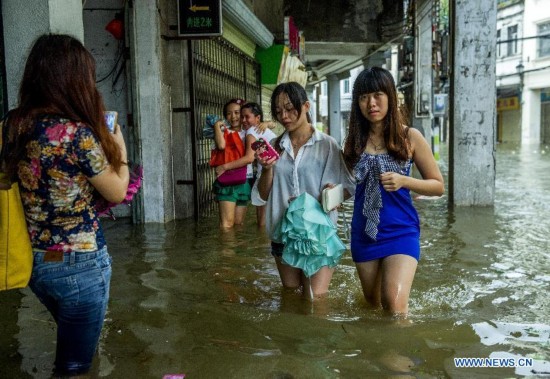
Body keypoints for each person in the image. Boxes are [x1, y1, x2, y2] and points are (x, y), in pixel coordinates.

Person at [0, 34, 129, 376]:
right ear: (74, 79)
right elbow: (117, 191)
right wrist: (121, 151)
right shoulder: (77, 134)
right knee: (74, 367)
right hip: (81, 264)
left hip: (37, 262)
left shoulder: (12, 126)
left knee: (75, 345)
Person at [342, 67, 444, 316]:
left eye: (378, 95)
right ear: (357, 103)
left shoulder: (410, 137)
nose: (372, 103)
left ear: (390, 96)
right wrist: (329, 195)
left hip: (401, 230)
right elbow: (348, 186)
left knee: (394, 304)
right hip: (363, 234)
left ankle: (401, 354)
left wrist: (404, 181)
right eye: (364, 97)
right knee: (372, 306)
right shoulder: (353, 141)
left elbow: (438, 185)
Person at [254, 82, 355, 298]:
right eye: (279, 111)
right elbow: (262, 195)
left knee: (315, 297)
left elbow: (348, 187)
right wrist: (266, 169)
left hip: (318, 235)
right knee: (290, 296)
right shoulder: (274, 146)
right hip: (283, 233)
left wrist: (333, 194)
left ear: (306, 106)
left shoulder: (327, 145)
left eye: (290, 109)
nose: (285, 116)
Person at [212, 99, 272, 228]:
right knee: (227, 225)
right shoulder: (223, 132)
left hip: (245, 180)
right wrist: (217, 126)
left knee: (238, 225)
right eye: (229, 113)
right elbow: (221, 146)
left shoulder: (249, 131)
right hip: (227, 180)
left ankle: (235, 247)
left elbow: (269, 127)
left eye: (237, 112)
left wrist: (266, 123)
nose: (233, 117)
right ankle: (225, 248)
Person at [240, 102, 277, 226]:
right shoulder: (263, 129)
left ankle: (262, 244)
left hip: (266, 176)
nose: (243, 120)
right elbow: (273, 124)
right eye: (242, 117)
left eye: (247, 117)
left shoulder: (251, 131)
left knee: (263, 223)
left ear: (257, 118)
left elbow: (249, 158)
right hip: (276, 174)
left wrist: (225, 166)